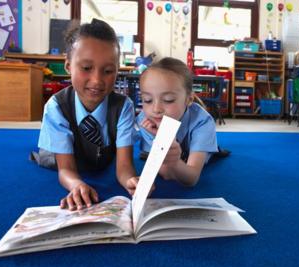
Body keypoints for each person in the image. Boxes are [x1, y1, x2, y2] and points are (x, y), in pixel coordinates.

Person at [32, 19, 139, 210]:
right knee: (48, 158)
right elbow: (65, 169)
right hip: (62, 156)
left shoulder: (124, 107)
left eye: (108, 71)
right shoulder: (56, 107)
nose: (97, 80)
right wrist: (76, 184)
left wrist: (131, 181)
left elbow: (123, 166)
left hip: (101, 157)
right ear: (68, 66)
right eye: (86, 68)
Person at [136, 57, 220, 187]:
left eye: (168, 100)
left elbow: (191, 178)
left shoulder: (202, 122)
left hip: (194, 155)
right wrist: (162, 141)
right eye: (147, 100)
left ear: (189, 99)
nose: (156, 109)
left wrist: (174, 162)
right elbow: (165, 173)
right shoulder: (145, 120)